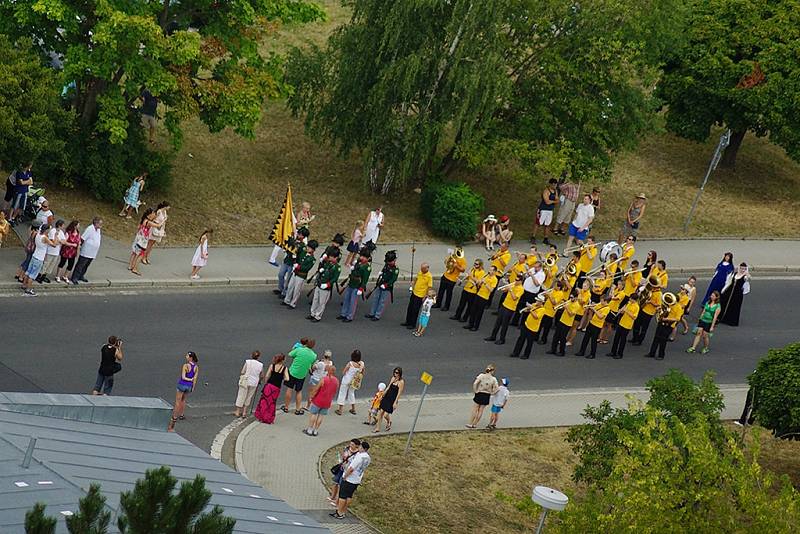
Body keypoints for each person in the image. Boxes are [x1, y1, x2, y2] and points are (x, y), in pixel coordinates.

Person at [330, 441, 371, 520]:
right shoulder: (368, 457)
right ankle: (344, 511)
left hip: (350, 479)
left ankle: (339, 512)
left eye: (360, 447)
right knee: (349, 496)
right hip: (357, 479)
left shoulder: (359, 457)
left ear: (363, 448)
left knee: (342, 496)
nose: (358, 448)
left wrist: (345, 476)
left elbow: (351, 468)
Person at [282, 338, 317, 415]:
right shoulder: (314, 355)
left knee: (289, 388)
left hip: (293, 372)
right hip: (302, 375)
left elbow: (290, 354)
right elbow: (310, 363)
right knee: (299, 391)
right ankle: (298, 409)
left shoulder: (299, 350)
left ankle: (286, 407)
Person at [303, 365, 339, 436]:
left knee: (313, 414)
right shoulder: (336, 381)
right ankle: (316, 430)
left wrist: (311, 396)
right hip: (327, 401)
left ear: (328, 371)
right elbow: (334, 391)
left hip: (318, 400)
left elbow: (316, 389)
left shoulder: (323, 379)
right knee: (321, 415)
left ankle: (310, 430)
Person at [21, 224, 56, 297]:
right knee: (33, 275)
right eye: (49, 229)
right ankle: (28, 289)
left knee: (28, 271)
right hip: (39, 258)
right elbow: (53, 245)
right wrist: (55, 236)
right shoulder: (45, 238)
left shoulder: (37, 235)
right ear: (46, 230)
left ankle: (24, 285)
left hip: (34, 256)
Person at [254, 353, 289, 424]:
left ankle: (261, 416)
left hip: (269, 386)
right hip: (276, 388)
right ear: (282, 360)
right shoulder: (284, 368)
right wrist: (282, 377)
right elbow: (287, 378)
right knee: (272, 403)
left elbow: (267, 376)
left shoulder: (272, 366)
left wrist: (266, 382)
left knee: (264, 401)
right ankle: (269, 418)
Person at [486, 279, 523, 345]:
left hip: (510, 308)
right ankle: (493, 336)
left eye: (517, 280)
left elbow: (514, 298)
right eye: (516, 280)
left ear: (521, 281)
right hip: (504, 305)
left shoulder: (521, 289)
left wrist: (510, 290)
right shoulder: (513, 285)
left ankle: (502, 339)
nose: (516, 281)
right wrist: (506, 287)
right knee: (498, 322)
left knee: (504, 324)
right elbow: (504, 291)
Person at [365, 249, 399, 321]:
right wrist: (381, 273)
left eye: (390, 261)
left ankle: (377, 315)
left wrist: (386, 285)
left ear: (394, 260)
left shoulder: (395, 269)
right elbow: (384, 270)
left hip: (387, 287)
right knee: (376, 298)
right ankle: (372, 313)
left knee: (382, 301)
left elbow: (393, 279)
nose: (389, 263)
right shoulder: (386, 265)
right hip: (380, 284)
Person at [339, 248, 371, 322]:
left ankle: (349, 316)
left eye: (364, 257)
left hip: (357, 285)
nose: (362, 258)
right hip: (351, 283)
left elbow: (365, 279)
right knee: (346, 299)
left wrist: (361, 288)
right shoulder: (358, 262)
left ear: (368, 258)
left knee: (353, 302)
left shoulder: (367, 267)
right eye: (361, 256)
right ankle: (343, 314)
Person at [284, 239, 318, 308]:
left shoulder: (312, 259)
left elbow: (306, 268)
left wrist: (298, 267)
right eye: (308, 247)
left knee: (297, 290)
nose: (308, 248)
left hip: (301, 275)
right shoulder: (303, 252)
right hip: (295, 272)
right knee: (290, 286)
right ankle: (286, 300)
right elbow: (297, 254)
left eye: (310, 248)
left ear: (313, 250)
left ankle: (293, 303)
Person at [308, 252, 342, 322]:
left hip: (325, 286)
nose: (329, 257)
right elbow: (323, 269)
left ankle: (317, 316)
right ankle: (312, 313)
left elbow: (335, 278)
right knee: (315, 300)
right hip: (320, 283)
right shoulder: (328, 263)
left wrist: (328, 284)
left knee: (321, 302)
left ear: (335, 258)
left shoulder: (337, 267)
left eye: (331, 256)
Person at [169, 351, 199, 429]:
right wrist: (193, 387)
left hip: (182, 385)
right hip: (189, 387)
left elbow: (183, 377)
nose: (186, 356)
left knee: (178, 401)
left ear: (190, 358)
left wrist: (189, 379)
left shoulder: (185, 366)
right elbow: (195, 379)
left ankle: (174, 417)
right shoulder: (196, 367)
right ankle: (181, 414)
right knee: (184, 400)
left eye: (187, 356)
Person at [464, 265, 498, 331]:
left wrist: (485, 283)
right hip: (478, 294)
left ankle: (476, 326)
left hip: (484, 297)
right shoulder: (486, 276)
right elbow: (479, 284)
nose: (489, 271)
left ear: (495, 271)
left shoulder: (495, 279)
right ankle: (470, 324)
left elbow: (491, 290)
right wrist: (479, 282)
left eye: (491, 270)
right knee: (473, 310)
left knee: (479, 313)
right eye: (489, 270)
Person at [328, 439, 361, 505]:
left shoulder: (357, 454)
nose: (350, 445)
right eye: (350, 444)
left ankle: (337, 501)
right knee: (335, 482)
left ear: (356, 446)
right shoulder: (347, 448)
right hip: (341, 468)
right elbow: (343, 455)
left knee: (341, 486)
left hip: (346, 471)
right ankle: (332, 497)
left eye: (352, 444)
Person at [70, 217, 102, 284]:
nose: (101, 225)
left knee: (86, 265)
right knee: (81, 264)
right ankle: (75, 277)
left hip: (93, 252)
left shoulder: (98, 230)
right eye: (100, 223)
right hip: (86, 251)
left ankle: (81, 275)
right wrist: (79, 247)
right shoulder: (90, 229)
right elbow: (82, 238)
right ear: (96, 223)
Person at [547, 292, 581, 357]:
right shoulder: (569, 301)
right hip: (561, 320)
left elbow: (571, 314)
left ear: (576, 298)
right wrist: (561, 305)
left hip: (567, 323)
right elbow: (564, 308)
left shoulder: (577, 305)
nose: (570, 299)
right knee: (556, 336)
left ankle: (562, 352)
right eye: (570, 297)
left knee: (562, 338)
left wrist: (566, 307)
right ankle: (553, 349)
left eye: (572, 297)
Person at [466, 364, 498, 429]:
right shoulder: (493, 379)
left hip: (480, 393)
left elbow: (475, 383)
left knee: (475, 409)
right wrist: (492, 392)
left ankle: (470, 423)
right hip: (487, 395)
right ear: (492, 371)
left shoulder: (481, 376)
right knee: (481, 410)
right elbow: (496, 388)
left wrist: (475, 390)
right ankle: (475, 424)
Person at [234, 351, 264, 418]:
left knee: (241, 395)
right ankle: (244, 412)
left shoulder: (248, 362)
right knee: (249, 396)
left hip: (246, 381)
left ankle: (238, 411)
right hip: (254, 382)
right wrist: (259, 380)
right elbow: (262, 375)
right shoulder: (260, 365)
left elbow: (242, 371)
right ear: (258, 357)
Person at [435, 247, 466, 311]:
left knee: (449, 293)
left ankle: (447, 306)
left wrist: (456, 266)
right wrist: (447, 260)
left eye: (457, 250)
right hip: (445, 275)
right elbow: (446, 263)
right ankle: (438, 303)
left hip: (452, 279)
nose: (455, 251)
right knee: (441, 291)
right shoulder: (453, 256)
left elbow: (463, 270)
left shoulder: (462, 260)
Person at [402, 263, 433, 329]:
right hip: (414, 293)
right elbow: (416, 279)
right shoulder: (420, 272)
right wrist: (413, 284)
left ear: (427, 268)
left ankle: (412, 324)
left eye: (423, 269)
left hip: (420, 295)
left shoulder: (429, 276)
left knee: (415, 310)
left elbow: (429, 287)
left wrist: (426, 296)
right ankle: (407, 321)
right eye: (421, 269)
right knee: (410, 308)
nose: (421, 270)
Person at [631, 281, 662, 346]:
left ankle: (640, 340)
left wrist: (651, 302)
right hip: (642, 308)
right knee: (636, 324)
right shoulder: (650, 290)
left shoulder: (659, 294)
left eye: (654, 285)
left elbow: (658, 305)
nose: (652, 286)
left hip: (649, 313)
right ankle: (635, 338)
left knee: (644, 327)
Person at [374, 367, 404, 432]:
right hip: (387, 397)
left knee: (385, 415)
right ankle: (377, 428)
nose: (395, 374)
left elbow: (399, 393)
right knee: (381, 413)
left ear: (400, 374)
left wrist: (395, 402)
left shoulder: (401, 382)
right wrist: (384, 393)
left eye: (397, 373)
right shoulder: (393, 378)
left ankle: (389, 421)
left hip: (392, 399)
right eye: (395, 372)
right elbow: (389, 386)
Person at [335, 350, 365, 415]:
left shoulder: (350, 363)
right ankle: (353, 409)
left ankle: (340, 410)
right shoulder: (361, 364)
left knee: (342, 393)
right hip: (354, 382)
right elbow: (363, 372)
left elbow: (344, 372)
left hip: (346, 380)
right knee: (351, 393)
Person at [531, 178, 559, 245]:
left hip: (550, 210)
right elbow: (547, 202)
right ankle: (533, 237)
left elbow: (557, 201)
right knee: (538, 223)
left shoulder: (555, 191)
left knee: (547, 224)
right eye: (553, 184)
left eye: (555, 184)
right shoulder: (546, 191)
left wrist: (552, 201)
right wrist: (554, 201)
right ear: (550, 184)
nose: (554, 186)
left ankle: (546, 238)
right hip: (543, 209)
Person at [128, 208, 155, 276]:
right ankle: (135, 268)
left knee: (134, 252)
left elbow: (138, 227)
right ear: (149, 215)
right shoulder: (148, 222)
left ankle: (130, 266)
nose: (154, 215)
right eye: (153, 214)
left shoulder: (143, 220)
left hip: (138, 238)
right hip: (143, 240)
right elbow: (158, 225)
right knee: (140, 254)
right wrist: (163, 220)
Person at [40, 219, 66, 283]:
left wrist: (59, 241)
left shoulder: (61, 232)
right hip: (50, 252)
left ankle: (44, 276)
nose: (64, 226)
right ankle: (39, 276)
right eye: (63, 225)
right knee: (46, 264)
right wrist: (58, 240)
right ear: (60, 225)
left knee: (51, 266)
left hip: (56, 252)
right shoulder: (53, 231)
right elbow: (53, 242)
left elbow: (64, 241)